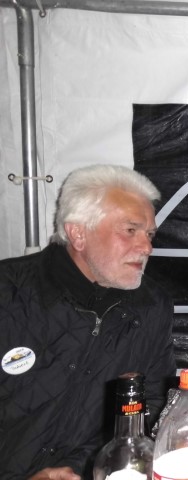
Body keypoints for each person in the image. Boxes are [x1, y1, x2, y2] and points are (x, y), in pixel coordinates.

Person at [0, 164, 176, 479]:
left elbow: (150, 407)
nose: (147, 247)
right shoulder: (7, 293)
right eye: (130, 230)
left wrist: (82, 467)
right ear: (78, 234)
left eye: (149, 234)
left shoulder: (152, 306)